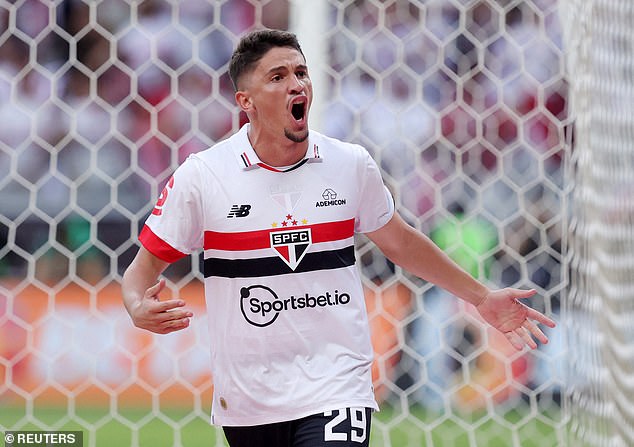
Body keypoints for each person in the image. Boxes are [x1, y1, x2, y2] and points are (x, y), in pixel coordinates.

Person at [121, 28, 556, 447]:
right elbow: (141, 271)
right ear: (246, 101)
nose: (296, 85)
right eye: (278, 77)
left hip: (337, 386)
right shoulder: (203, 176)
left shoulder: (350, 164)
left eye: (301, 73)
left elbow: (402, 243)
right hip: (250, 398)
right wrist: (137, 305)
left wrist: (481, 297)